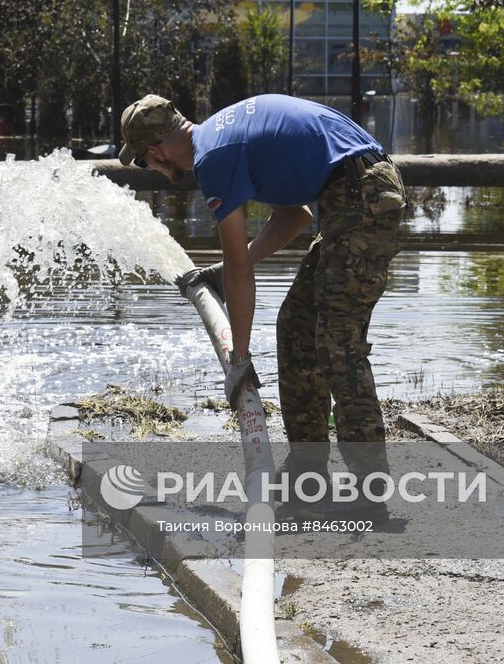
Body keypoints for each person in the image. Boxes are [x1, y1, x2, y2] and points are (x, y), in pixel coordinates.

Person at [118, 92, 405, 512]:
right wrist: (227, 268)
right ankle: (307, 475)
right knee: (297, 327)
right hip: (353, 192)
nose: (154, 169)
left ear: (157, 150)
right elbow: (295, 218)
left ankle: (369, 490)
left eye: (144, 161)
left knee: (337, 342)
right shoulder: (225, 137)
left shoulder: (214, 157)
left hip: (360, 196)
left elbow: (239, 272)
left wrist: (239, 358)